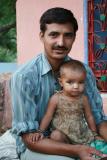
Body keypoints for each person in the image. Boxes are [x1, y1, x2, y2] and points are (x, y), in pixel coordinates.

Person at [10, 7, 107, 160]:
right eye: (54, 35)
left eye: (68, 35)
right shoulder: (24, 77)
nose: (61, 42)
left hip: (77, 139)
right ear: (42, 36)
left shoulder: (84, 72)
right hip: (38, 144)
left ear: (74, 38)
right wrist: (76, 151)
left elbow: (99, 119)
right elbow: (28, 138)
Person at [30, 60, 107, 158]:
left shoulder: (83, 98)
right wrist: (40, 131)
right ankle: (69, 152)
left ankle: (89, 152)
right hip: (63, 134)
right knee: (55, 135)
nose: (76, 86)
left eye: (80, 82)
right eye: (70, 82)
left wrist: (94, 133)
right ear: (61, 82)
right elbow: (48, 116)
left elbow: (89, 116)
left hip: (80, 132)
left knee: (99, 147)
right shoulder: (56, 98)